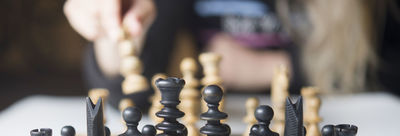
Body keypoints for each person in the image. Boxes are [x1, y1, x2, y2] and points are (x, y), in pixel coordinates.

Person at [64, 0, 400, 110]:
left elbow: (386, 67)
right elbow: (127, 94)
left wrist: (272, 68)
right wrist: (112, 31)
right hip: (218, 122)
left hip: (313, 117)